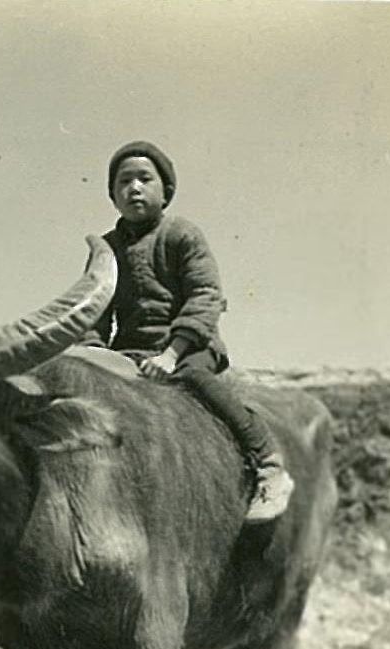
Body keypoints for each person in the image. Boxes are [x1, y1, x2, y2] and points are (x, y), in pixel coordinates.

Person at [81, 140, 294, 523]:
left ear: (166, 191)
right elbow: (93, 311)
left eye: (145, 178)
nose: (134, 188)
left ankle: (266, 462)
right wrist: (93, 352)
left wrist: (171, 354)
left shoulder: (182, 235)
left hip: (188, 346)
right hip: (130, 352)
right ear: (113, 196)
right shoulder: (106, 250)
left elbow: (205, 295)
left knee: (195, 378)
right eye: (124, 182)